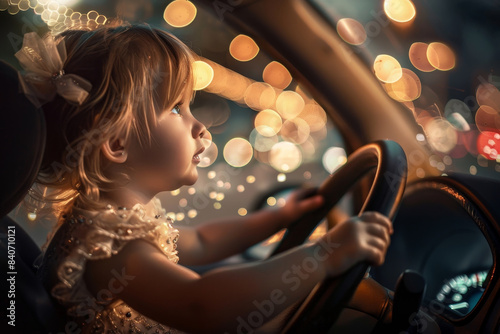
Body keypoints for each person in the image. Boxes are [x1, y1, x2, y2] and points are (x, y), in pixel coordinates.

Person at [17, 22, 393, 333]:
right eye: (176, 109)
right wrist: (321, 257)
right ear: (116, 143)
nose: (199, 126)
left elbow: (199, 240)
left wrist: (278, 217)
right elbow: (201, 304)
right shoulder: (110, 249)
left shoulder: (108, 223)